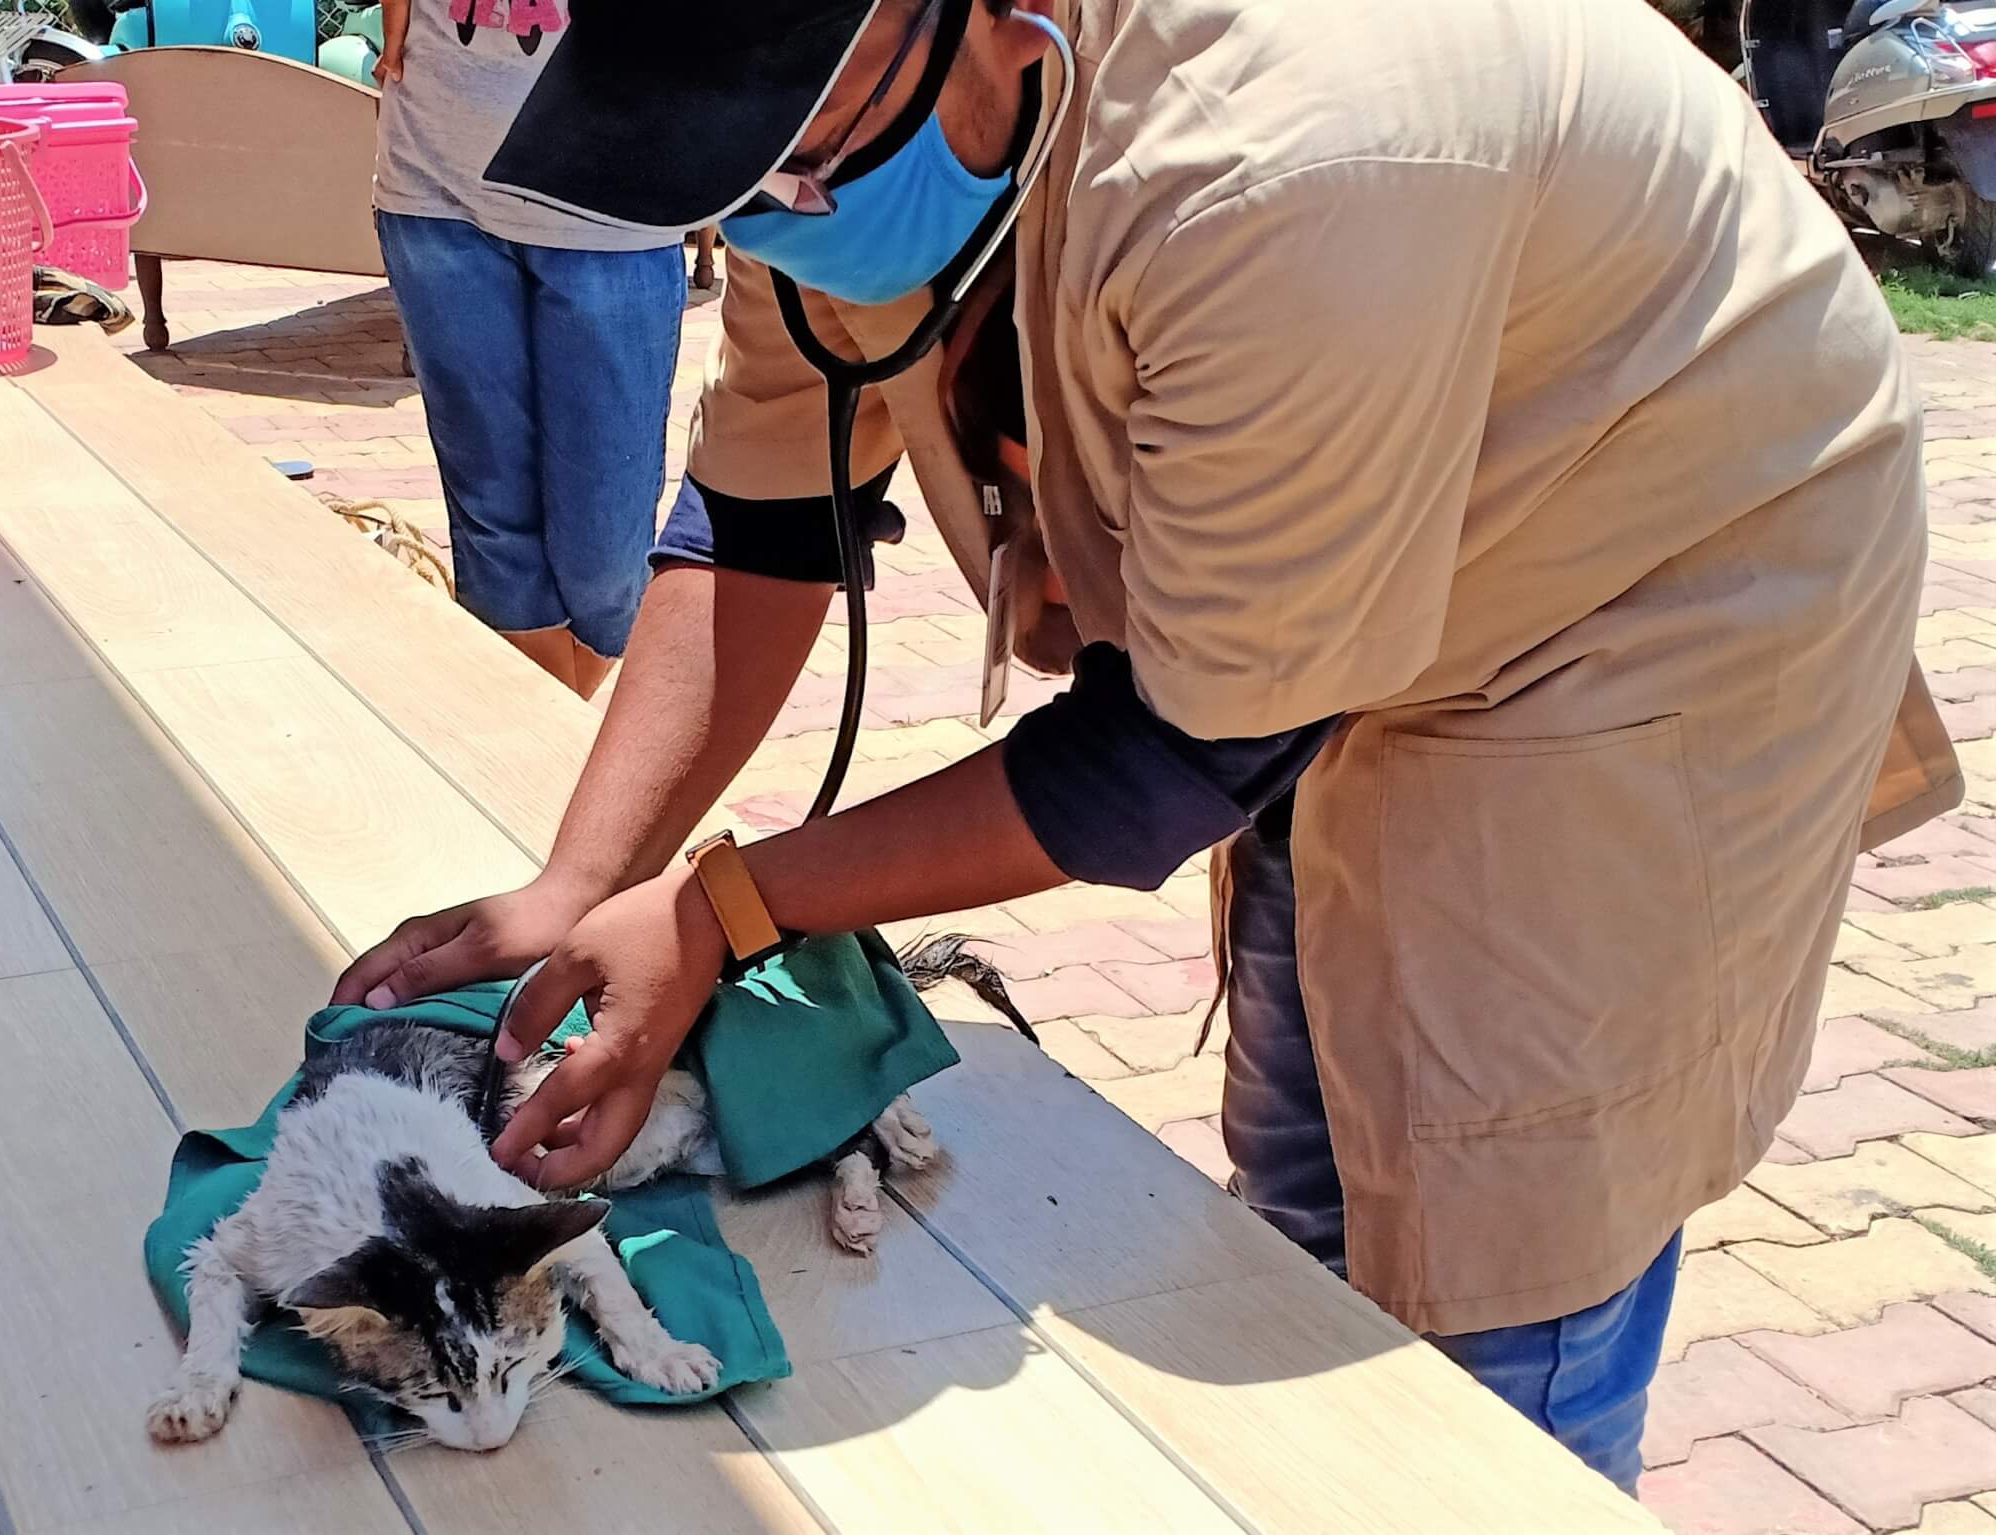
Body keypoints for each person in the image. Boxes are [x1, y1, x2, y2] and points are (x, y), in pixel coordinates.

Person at [333, 0, 1964, 1491]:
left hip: (1634, 596)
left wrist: (721, 910)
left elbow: (1172, 756)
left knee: (1493, 1222)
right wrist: (578, 881)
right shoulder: (821, 130)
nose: (769, 221)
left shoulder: (1293, 149)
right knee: (1318, 1117)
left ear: (969, 30)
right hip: (1374, 556)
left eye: (797, 167)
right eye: (733, 189)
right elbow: (765, 507)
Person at [368, 0, 686, 698]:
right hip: (435, 183)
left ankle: (548, 753)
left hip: (616, 205)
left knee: (606, 562)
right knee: (494, 531)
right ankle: (535, 769)